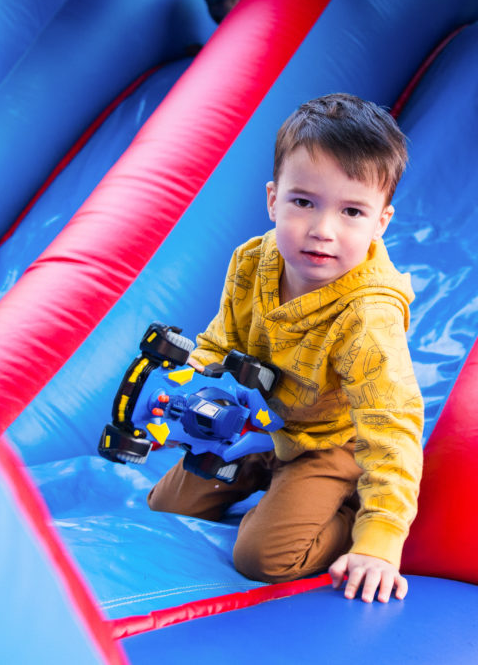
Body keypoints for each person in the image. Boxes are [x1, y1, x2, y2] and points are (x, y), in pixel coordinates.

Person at [148, 93, 424, 605]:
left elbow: (393, 424)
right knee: (168, 505)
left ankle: (346, 506)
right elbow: (219, 342)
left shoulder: (367, 316)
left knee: (264, 558)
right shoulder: (252, 262)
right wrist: (189, 388)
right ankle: (262, 472)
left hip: (330, 445)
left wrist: (379, 542)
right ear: (273, 199)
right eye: (303, 202)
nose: (322, 230)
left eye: (351, 211)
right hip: (259, 428)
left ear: (379, 223)